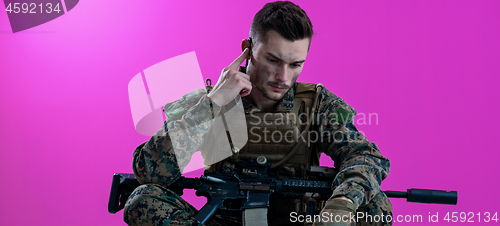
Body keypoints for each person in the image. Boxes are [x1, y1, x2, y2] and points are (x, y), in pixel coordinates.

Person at [124, 1, 392, 225]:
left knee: (375, 206)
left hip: (300, 220)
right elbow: (149, 172)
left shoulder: (317, 103)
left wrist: (343, 202)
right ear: (248, 48)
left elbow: (365, 155)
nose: (283, 77)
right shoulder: (208, 101)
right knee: (142, 199)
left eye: (295, 64)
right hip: (223, 221)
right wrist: (212, 104)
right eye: (273, 60)